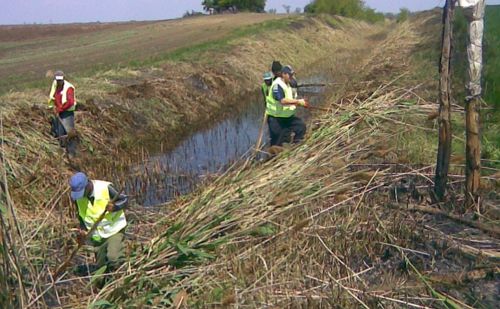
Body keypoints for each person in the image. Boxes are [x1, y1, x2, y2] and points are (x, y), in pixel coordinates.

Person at [69, 172, 128, 272]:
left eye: (82, 192)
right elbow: (81, 216)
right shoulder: (78, 198)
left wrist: (114, 207)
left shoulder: (105, 188)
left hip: (114, 230)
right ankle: (107, 282)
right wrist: (83, 230)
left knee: (113, 258)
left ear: (88, 185)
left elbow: (124, 200)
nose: (81, 196)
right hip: (97, 236)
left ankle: (123, 275)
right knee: (101, 267)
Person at [266, 65, 309, 146]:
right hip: (276, 119)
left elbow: (290, 100)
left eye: (292, 75)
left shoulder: (288, 84)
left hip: (287, 117)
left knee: (301, 127)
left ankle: (296, 147)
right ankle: (275, 156)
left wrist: (299, 103)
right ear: (283, 74)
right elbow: (282, 100)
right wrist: (298, 101)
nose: (292, 77)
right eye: (290, 75)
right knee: (278, 140)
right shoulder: (277, 85)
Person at [48, 70, 77, 157]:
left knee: (69, 133)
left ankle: (72, 154)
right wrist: (53, 107)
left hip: (67, 113)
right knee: (61, 133)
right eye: (57, 80)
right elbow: (53, 96)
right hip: (59, 112)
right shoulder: (55, 85)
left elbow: (70, 102)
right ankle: (63, 152)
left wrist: (60, 109)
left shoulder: (69, 88)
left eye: (60, 80)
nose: (59, 82)